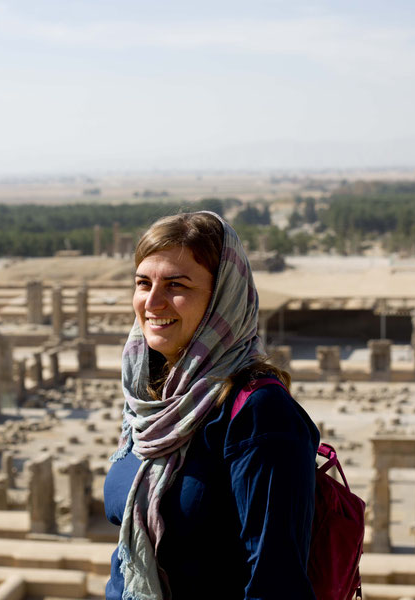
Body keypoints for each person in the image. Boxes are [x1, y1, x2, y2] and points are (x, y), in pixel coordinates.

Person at [104, 211, 319, 600]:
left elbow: (276, 583)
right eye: (143, 283)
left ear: (223, 297)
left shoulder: (260, 414)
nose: (152, 302)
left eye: (175, 285)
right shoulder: (150, 397)